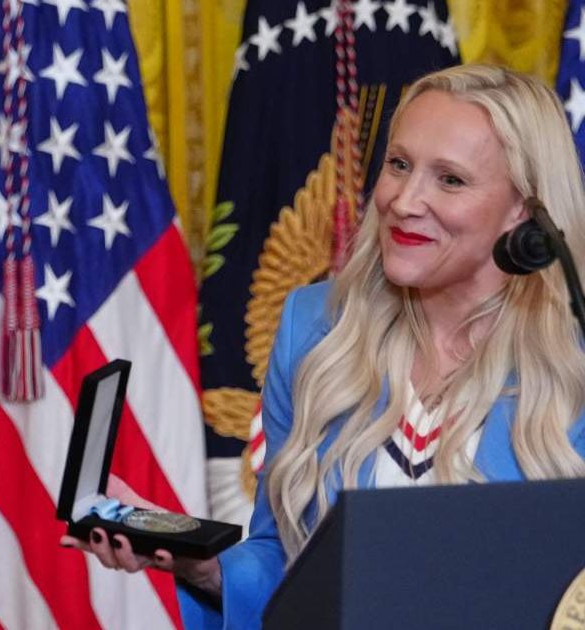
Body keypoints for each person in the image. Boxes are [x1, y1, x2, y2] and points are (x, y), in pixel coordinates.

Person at [65, 64, 585, 628]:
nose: (404, 200)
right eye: (399, 164)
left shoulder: (572, 358)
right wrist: (204, 568)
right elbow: (282, 556)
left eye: (450, 180)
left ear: (525, 214)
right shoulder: (315, 328)